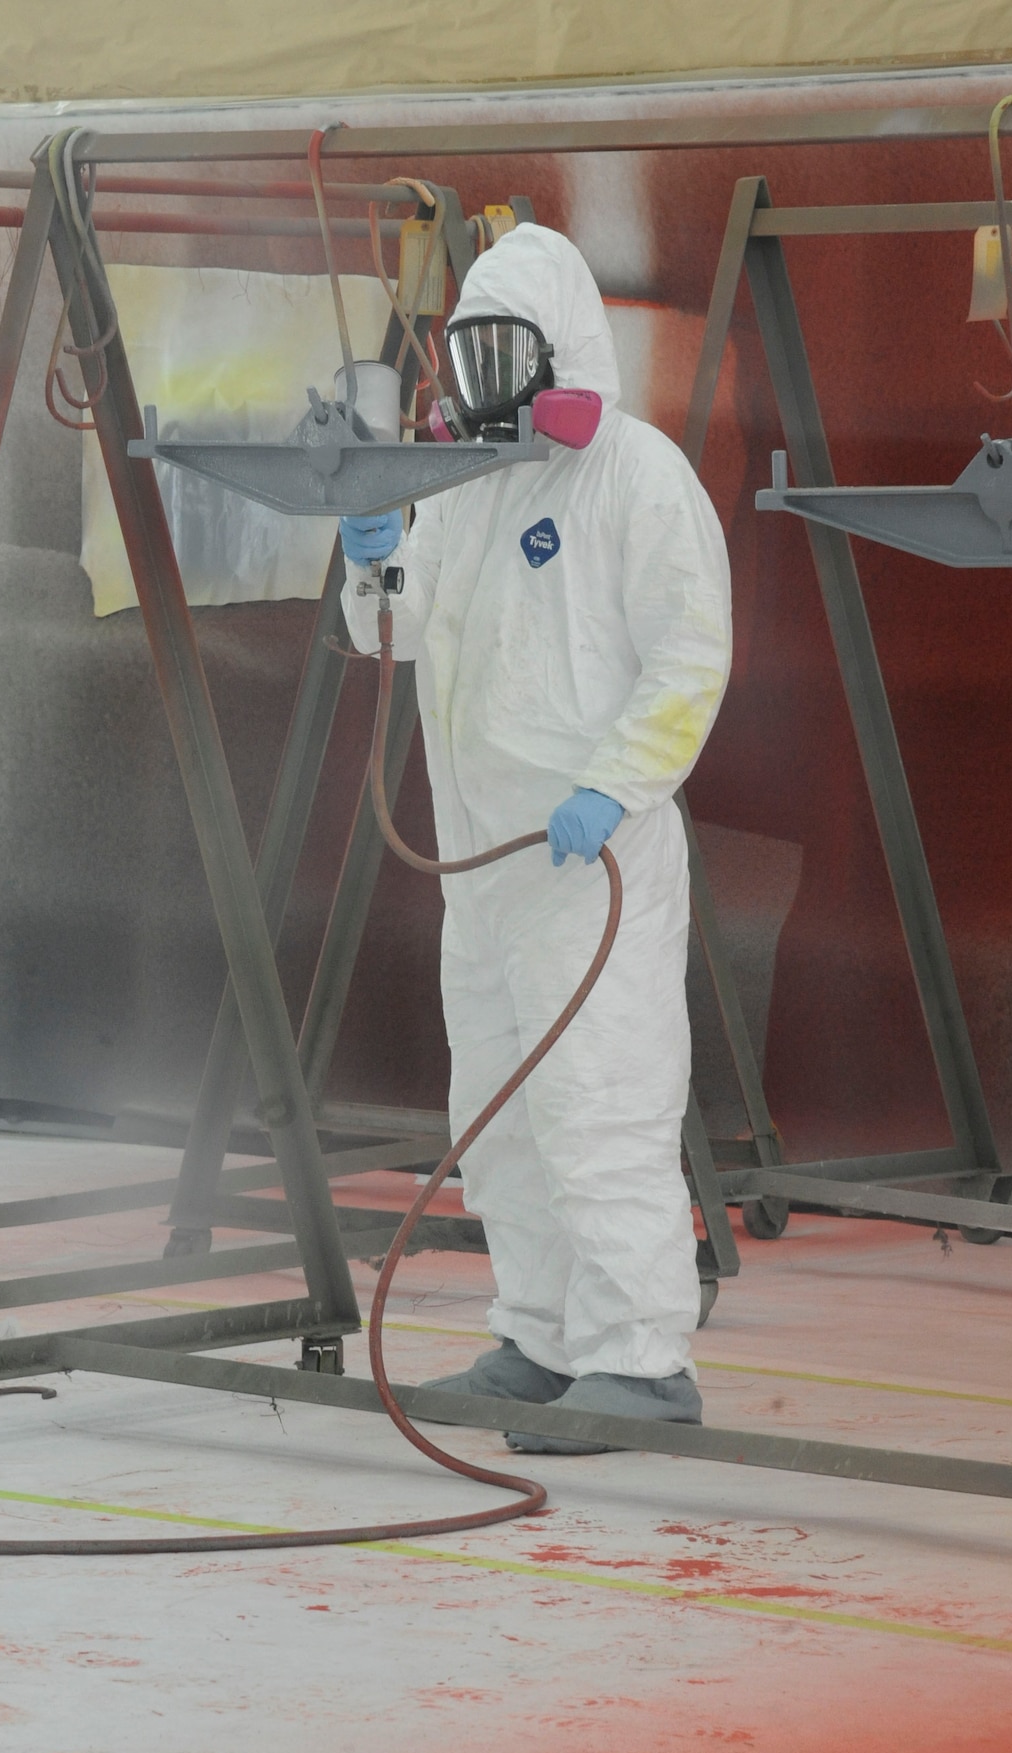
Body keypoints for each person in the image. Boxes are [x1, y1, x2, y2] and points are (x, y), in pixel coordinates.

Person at [339, 224, 731, 1454]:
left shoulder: (637, 477)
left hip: (589, 864)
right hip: (485, 866)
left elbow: (689, 651)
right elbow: (388, 634)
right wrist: (373, 563)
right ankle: (541, 1338)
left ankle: (637, 1358)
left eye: (506, 351)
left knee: (595, 1101)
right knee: (498, 1110)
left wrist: (615, 787)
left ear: (562, 348)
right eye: (468, 355)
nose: (485, 381)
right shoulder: (471, 487)